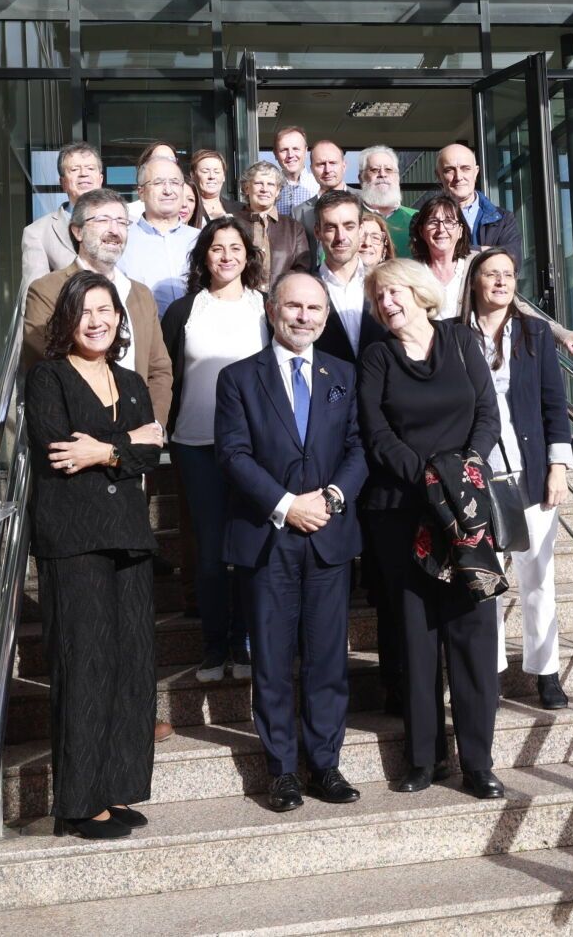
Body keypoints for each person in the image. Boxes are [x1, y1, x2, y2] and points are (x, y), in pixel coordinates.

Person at [215, 271, 368, 812]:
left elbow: (358, 448)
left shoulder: (342, 374)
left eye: (314, 308)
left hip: (328, 534)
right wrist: (286, 504)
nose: (304, 317)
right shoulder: (237, 378)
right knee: (273, 660)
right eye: (294, 306)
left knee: (327, 659)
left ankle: (324, 763)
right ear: (272, 310)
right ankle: (281, 769)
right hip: (268, 536)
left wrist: (331, 498)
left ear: (325, 317)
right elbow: (233, 455)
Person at [25, 271, 166, 839]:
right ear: (67, 319)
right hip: (74, 539)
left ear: (119, 318)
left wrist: (103, 451)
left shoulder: (130, 382)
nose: (96, 320)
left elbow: (152, 453)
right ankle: (78, 804)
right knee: (84, 666)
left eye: (105, 310)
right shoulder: (49, 378)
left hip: (129, 536)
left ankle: (116, 787)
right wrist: (126, 449)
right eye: (85, 311)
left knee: (132, 665)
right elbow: (60, 451)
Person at [357, 258, 505, 798]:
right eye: (378, 298)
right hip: (404, 509)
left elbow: (487, 413)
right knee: (416, 639)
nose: (386, 304)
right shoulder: (377, 357)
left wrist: (464, 472)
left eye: (393, 292)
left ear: (420, 292)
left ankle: (478, 763)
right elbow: (376, 433)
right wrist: (428, 479)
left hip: (465, 513)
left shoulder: (462, 342)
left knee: (472, 635)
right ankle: (424, 759)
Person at [461, 247, 573, 709]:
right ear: (474, 281)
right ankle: (488, 673)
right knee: (486, 580)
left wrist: (558, 466)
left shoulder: (535, 333)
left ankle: (546, 673)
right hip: (478, 474)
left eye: (508, 274)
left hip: (530, 471)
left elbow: (554, 403)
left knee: (538, 576)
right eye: (492, 274)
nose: (501, 282)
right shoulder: (453, 334)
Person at [160, 217, 267, 683]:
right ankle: (213, 646)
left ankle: (242, 643)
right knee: (208, 550)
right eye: (217, 248)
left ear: (248, 255)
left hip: (255, 448)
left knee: (246, 544)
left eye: (235, 247)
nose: (227, 256)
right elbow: (166, 374)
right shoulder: (184, 311)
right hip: (196, 443)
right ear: (204, 256)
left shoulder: (265, 307)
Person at [23, 189, 174, 430]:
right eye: (103, 220)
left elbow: (159, 369)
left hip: (139, 433)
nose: (114, 230)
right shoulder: (48, 289)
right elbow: (45, 358)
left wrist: (153, 425)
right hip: (77, 434)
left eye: (122, 222)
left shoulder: (141, 295)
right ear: (78, 231)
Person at [310, 191, 385, 365]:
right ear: (317, 232)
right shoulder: (305, 289)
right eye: (331, 227)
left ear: (361, 230)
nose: (341, 237)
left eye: (349, 226)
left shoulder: (386, 284)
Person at [120, 156, 200, 314]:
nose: (168, 190)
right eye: (158, 183)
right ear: (141, 193)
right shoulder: (123, 241)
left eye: (175, 182)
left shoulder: (201, 239)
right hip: (144, 328)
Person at [20, 142, 104, 285]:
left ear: (100, 179)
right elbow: (34, 291)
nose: (84, 174)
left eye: (90, 168)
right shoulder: (37, 233)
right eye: (74, 169)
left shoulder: (128, 225)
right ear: (63, 182)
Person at [436, 142, 522, 257]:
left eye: (465, 169)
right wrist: (485, 251)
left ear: (476, 172)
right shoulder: (428, 221)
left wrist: (463, 252)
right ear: (438, 176)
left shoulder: (504, 220)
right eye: (449, 170)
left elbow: (512, 258)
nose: (459, 177)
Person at [238, 159, 311, 278]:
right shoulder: (232, 223)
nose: (264, 189)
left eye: (271, 184)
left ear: (277, 191)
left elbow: (302, 269)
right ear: (246, 188)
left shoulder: (294, 228)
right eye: (258, 183)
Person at [408, 192, 475, 318]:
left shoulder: (475, 269)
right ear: (421, 231)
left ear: (460, 231)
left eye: (449, 222)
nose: (441, 229)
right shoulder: (410, 274)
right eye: (433, 222)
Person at [357, 146, 415, 256]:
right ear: (361, 179)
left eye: (388, 170)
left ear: (398, 177)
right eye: (374, 170)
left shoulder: (417, 218)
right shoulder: (350, 219)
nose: (382, 174)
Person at [291, 139, 348, 229]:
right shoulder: (299, 214)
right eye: (321, 164)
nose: (327, 170)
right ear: (312, 169)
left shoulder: (365, 201)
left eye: (333, 163)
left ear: (344, 166)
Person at [186, 149, 243, 228]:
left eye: (217, 172)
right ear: (192, 175)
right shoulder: (186, 208)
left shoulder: (241, 209)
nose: (212, 176)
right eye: (205, 171)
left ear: (224, 177)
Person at [271, 126, 317, 219]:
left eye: (296, 149)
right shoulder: (268, 187)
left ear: (306, 151)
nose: (290, 155)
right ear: (275, 154)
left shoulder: (318, 185)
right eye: (284, 150)